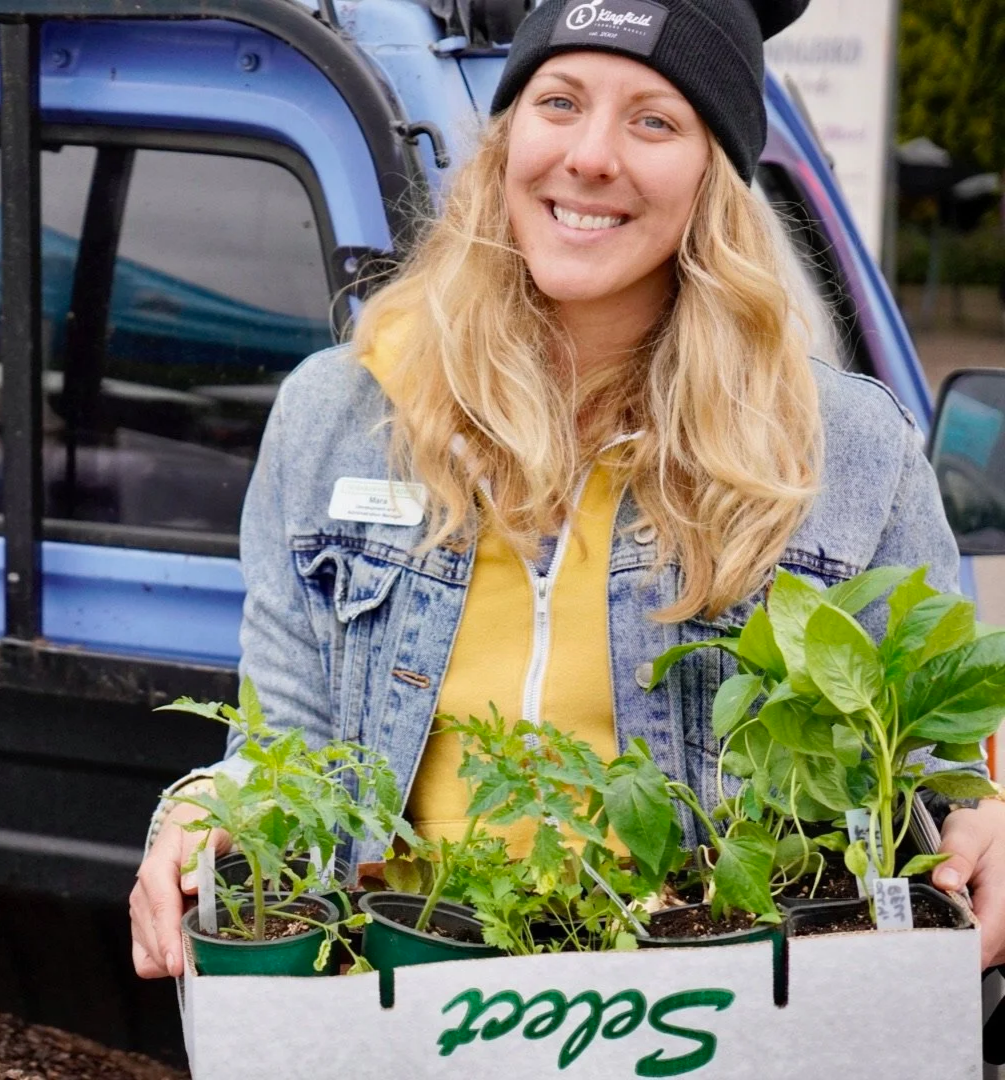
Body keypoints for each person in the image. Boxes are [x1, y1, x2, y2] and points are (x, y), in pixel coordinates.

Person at [130, 0, 1005, 980]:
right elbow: (281, 750)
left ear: (715, 178)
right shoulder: (338, 418)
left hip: (702, 1027)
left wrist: (985, 823)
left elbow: (935, 759)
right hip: (405, 1012)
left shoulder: (845, 450)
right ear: (507, 140)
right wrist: (197, 816)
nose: (590, 155)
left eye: (654, 120)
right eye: (560, 100)